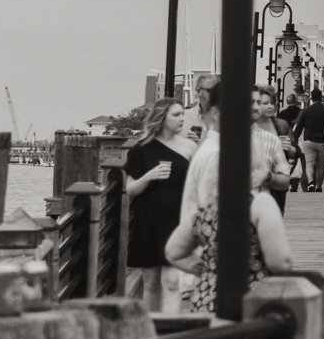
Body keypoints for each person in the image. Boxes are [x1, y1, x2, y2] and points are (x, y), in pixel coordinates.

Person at [165, 129, 294, 314]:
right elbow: (280, 262)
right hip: (252, 305)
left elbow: (173, 252)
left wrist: (207, 271)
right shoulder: (259, 203)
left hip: (207, 303)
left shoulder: (207, 205)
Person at [122, 98, 195, 312]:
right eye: (176, 115)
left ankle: (169, 330)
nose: (182, 118)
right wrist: (148, 176)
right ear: (162, 118)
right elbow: (131, 190)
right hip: (148, 220)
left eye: (182, 113)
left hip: (177, 218)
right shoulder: (141, 149)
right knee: (151, 281)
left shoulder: (190, 148)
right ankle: (152, 329)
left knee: (172, 281)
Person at [251, 86, 295, 212]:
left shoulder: (281, 125)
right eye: (265, 103)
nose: (270, 106)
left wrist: (291, 148)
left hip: (277, 181)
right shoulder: (251, 129)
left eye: (272, 103)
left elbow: (295, 150)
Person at [296, 88, 324, 191]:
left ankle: (311, 183)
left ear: (311, 98)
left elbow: (299, 127)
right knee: (321, 165)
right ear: (321, 98)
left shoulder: (305, 111)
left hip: (309, 141)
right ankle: (319, 186)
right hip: (323, 141)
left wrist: (294, 139)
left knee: (309, 163)